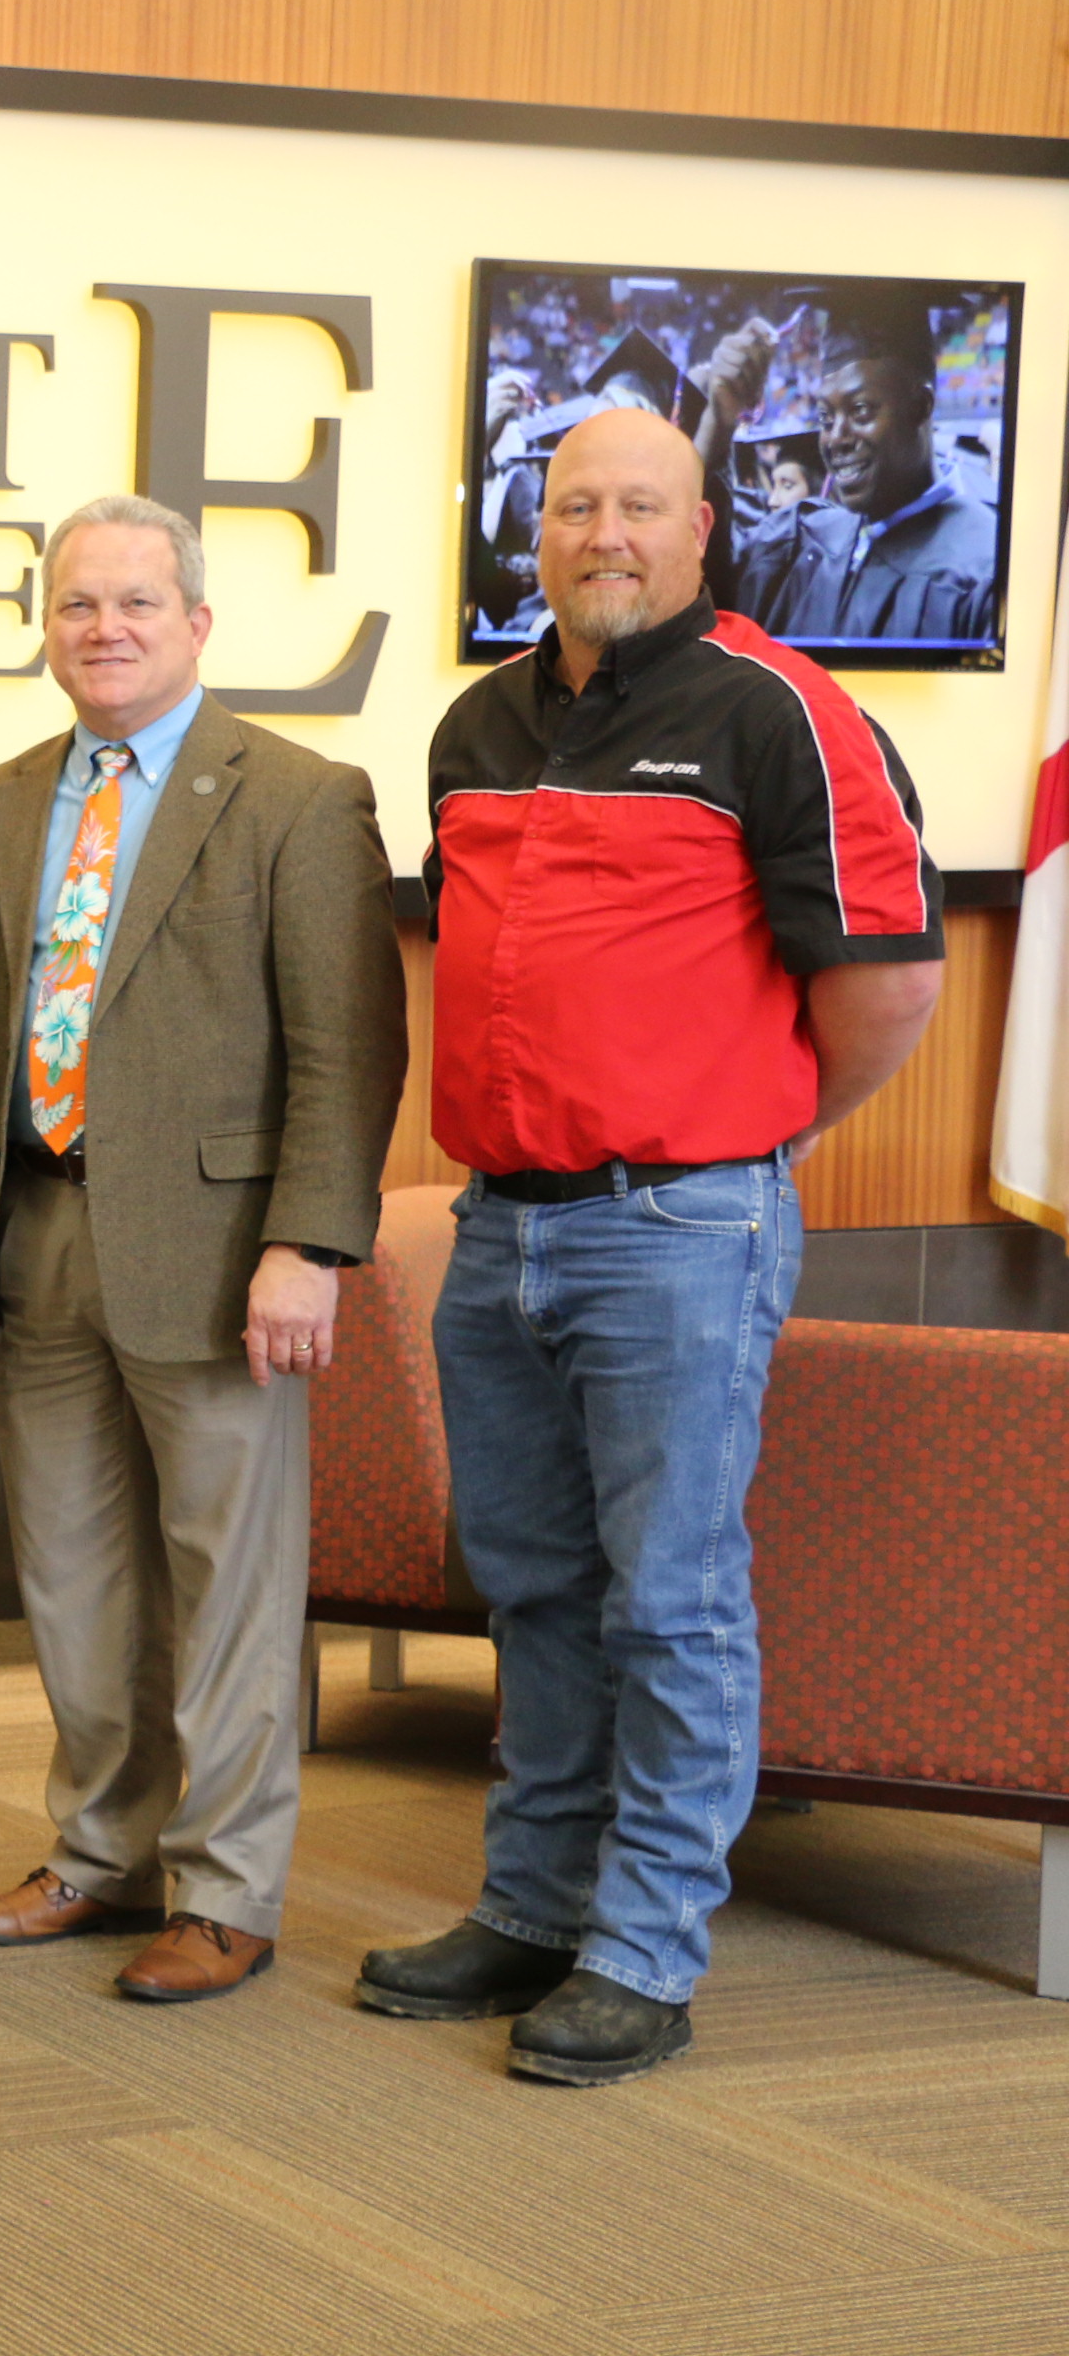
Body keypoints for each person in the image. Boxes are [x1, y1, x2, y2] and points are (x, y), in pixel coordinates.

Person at [361, 407, 942, 2082]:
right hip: (498, 1232)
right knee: (532, 1592)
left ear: (702, 529)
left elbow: (888, 982)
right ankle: (531, 1908)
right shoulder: (474, 725)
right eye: (569, 507)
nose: (599, 532)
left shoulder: (780, 713)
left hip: (677, 1228)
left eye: (636, 505)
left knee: (671, 1601)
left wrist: (741, 1139)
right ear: (529, 532)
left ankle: (641, 1944)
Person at [0, 497, 407, 2003]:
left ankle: (229, 1886)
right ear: (46, 628)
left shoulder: (299, 797)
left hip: (219, 1249)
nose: (106, 629)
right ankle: (98, 1854)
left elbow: (349, 1048)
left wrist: (308, 1244)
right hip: (35, 1223)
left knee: (227, 1579)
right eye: (78, 606)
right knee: (71, 1574)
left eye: (138, 604)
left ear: (197, 623)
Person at [696, 297, 1001, 646]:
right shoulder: (801, 538)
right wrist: (718, 423)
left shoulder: (984, 567)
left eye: (860, 411)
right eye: (826, 417)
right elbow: (701, 583)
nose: (835, 438)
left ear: (920, 407)